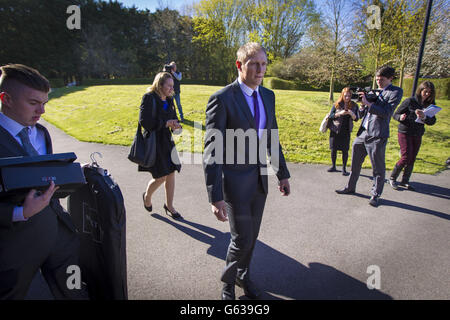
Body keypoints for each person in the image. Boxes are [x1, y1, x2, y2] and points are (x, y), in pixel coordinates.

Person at [203, 42, 291, 300]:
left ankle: (243, 275)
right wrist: (214, 195)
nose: (260, 69)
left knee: (251, 237)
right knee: (241, 238)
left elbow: (272, 138)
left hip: (259, 181)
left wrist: (282, 173)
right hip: (233, 183)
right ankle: (227, 284)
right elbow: (212, 151)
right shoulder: (222, 99)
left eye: (264, 64)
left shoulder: (268, 96)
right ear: (240, 65)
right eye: (254, 64)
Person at [0, 64, 86, 299]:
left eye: (44, 103)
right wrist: (20, 212)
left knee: (74, 291)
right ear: (5, 99)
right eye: (33, 103)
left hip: (58, 233)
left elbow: (41, 176)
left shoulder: (41, 133)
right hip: (14, 244)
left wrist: (69, 174)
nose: (42, 111)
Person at [335, 66, 403, 207]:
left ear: (390, 78)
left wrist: (368, 103)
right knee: (355, 164)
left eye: (382, 79)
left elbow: (387, 112)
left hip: (377, 134)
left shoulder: (395, 92)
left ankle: (375, 194)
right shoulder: (373, 90)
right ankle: (350, 187)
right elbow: (362, 113)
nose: (379, 82)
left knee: (377, 167)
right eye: (377, 79)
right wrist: (362, 106)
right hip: (363, 132)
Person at [140, 72, 183, 220]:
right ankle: (147, 196)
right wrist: (165, 124)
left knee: (171, 173)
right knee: (161, 176)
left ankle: (169, 206)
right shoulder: (149, 98)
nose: (172, 89)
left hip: (167, 141)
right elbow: (144, 122)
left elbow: (174, 118)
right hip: (154, 142)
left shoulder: (170, 100)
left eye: (173, 86)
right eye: (169, 86)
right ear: (160, 84)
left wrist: (176, 126)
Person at [389, 81, 437, 191]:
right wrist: (400, 117)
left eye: (430, 92)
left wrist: (424, 117)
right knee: (406, 157)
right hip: (405, 132)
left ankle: (405, 180)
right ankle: (392, 177)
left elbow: (432, 121)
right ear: (420, 90)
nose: (427, 94)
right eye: (425, 91)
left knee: (412, 157)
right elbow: (395, 114)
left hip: (418, 133)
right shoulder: (410, 101)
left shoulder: (430, 105)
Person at [327, 87, 359, 175]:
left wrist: (351, 113)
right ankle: (333, 166)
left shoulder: (354, 105)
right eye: (345, 96)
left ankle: (344, 168)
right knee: (333, 149)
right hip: (335, 130)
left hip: (346, 131)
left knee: (345, 150)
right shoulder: (337, 104)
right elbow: (331, 115)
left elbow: (356, 118)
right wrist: (339, 113)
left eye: (349, 96)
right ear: (342, 95)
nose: (347, 97)